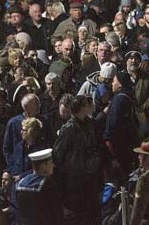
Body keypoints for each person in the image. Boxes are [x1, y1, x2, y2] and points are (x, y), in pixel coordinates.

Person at [53, 95, 101, 225]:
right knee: (78, 211)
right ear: (81, 107)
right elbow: (58, 153)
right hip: (75, 176)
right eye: (86, 104)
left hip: (90, 173)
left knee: (91, 210)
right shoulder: (69, 128)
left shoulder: (89, 124)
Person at [15, 148, 64, 225]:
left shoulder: (21, 183)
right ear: (43, 166)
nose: (53, 165)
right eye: (50, 163)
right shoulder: (47, 185)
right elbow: (57, 213)